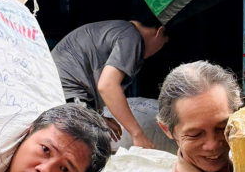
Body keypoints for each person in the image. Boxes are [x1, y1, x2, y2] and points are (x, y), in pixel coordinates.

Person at [51, 18, 168, 147]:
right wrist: (137, 134)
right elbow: (107, 86)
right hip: (69, 96)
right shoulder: (132, 37)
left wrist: (98, 117)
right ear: (160, 32)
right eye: (163, 43)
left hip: (57, 92)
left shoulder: (117, 29)